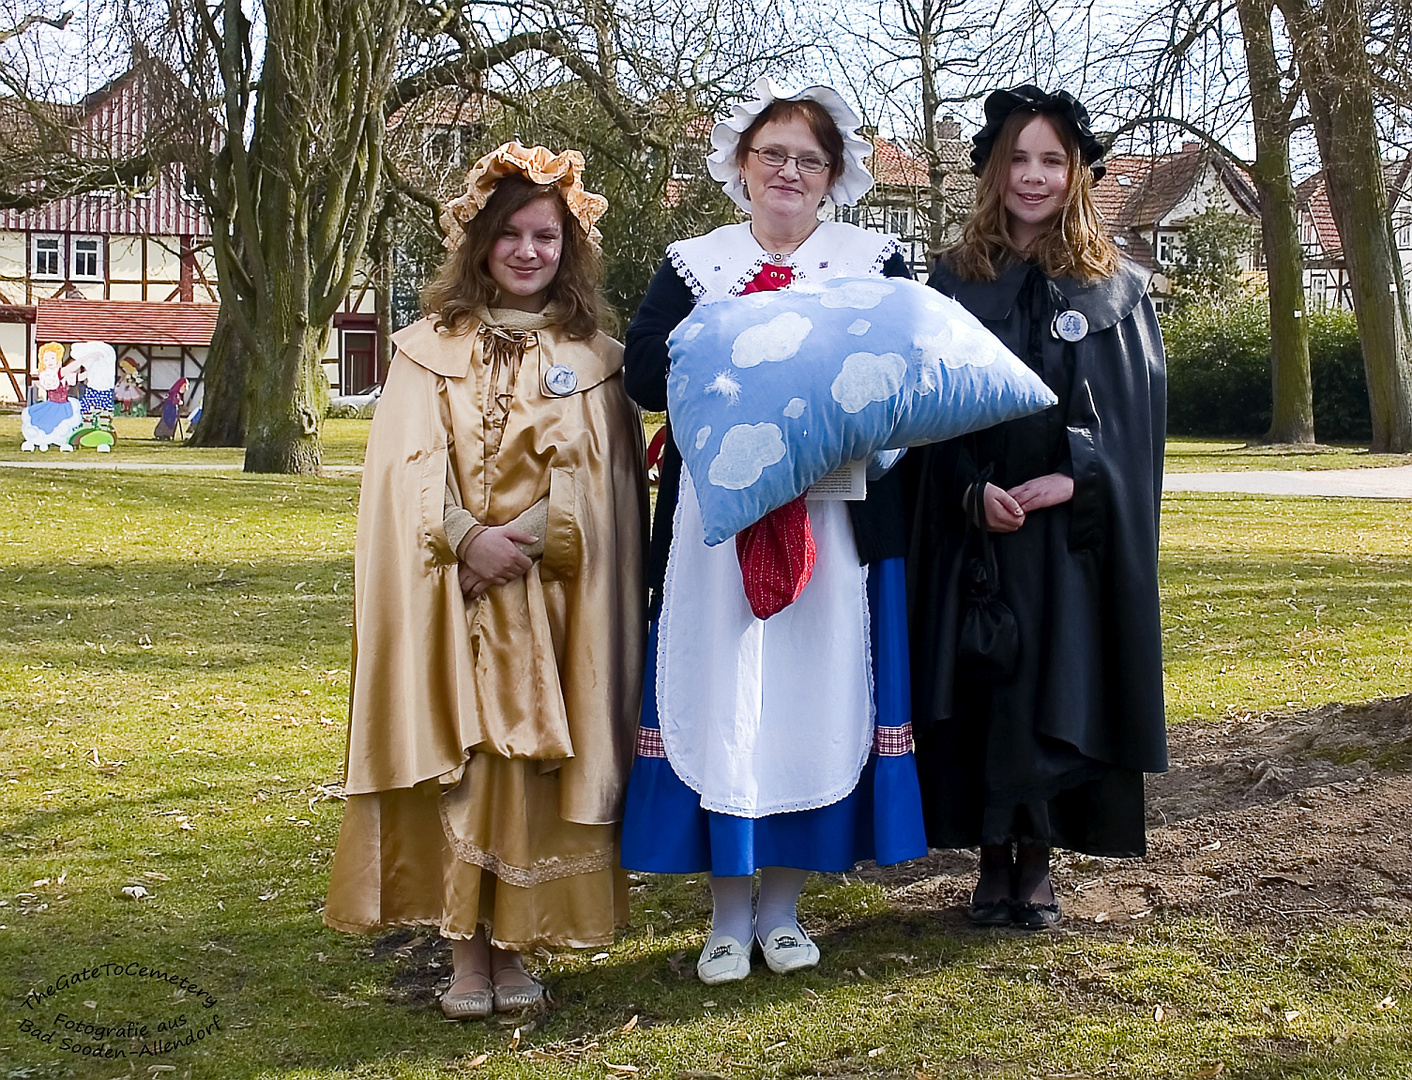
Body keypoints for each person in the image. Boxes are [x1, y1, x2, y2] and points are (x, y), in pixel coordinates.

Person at [323, 143, 648, 1018]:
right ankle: (466, 953)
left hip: (554, 603)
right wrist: (467, 540)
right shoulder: (425, 352)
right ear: (478, 242)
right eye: (510, 233)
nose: (528, 250)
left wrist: (532, 536)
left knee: (537, 772)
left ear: (570, 245)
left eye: (546, 234)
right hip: (454, 598)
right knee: (464, 766)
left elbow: (611, 487)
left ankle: (519, 946)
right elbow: (404, 472)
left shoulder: (598, 360)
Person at [619, 77, 927, 985]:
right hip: (714, 530)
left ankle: (785, 906)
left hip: (835, 527)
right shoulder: (694, 264)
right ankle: (725, 915)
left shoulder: (874, 260)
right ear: (741, 166)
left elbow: (910, 377)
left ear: (834, 175)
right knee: (724, 690)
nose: (789, 171)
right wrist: (729, 354)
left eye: (809, 159)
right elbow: (642, 369)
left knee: (811, 694)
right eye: (773, 155)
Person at [905, 86, 1167, 929]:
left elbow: (1134, 429)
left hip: (1067, 540)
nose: (1033, 176)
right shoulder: (951, 281)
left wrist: (1077, 476)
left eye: (1052, 160)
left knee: (1057, 685)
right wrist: (967, 490)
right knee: (988, 685)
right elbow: (922, 417)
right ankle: (990, 859)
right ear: (992, 168)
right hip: (978, 533)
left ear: (1078, 171)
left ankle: (1040, 861)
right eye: (1018, 158)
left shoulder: (1113, 290)